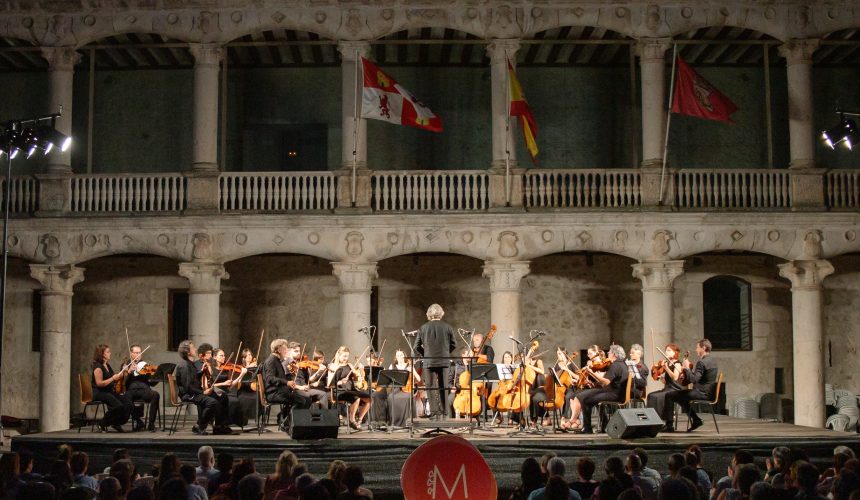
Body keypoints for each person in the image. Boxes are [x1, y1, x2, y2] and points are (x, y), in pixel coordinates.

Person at [567, 344, 629, 434]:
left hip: (614, 394)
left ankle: (587, 429)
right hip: (617, 393)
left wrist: (591, 372)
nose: (608, 353)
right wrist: (595, 383)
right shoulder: (623, 364)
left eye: (610, 352)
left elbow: (606, 382)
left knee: (586, 400)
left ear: (614, 354)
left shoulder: (615, 366)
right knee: (591, 397)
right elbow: (609, 382)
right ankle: (604, 425)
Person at [173, 340, 231, 435]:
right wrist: (203, 392)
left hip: (194, 392)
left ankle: (219, 426)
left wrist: (201, 372)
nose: (195, 349)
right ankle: (200, 427)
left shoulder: (189, 363)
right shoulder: (184, 365)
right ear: (188, 352)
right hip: (189, 394)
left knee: (222, 396)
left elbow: (194, 378)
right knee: (212, 402)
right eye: (193, 348)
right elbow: (188, 387)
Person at [666, 339, 719, 432]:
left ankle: (669, 425)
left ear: (704, 348)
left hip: (700, 393)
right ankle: (696, 420)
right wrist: (686, 374)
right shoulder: (713, 361)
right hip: (709, 393)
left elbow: (694, 380)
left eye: (698, 347)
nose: (696, 350)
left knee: (669, 395)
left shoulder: (701, 362)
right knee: (680, 397)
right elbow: (698, 377)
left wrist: (686, 368)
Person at [414, 303, 456, 421]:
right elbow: (454, 344)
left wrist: (425, 354)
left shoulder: (423, 328)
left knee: (430, 386)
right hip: (444, 361)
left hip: (429, 361)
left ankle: (433, 413)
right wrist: (446, 353)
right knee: (444, 386)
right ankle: (444, 412)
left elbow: (416, 347)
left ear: (429, 314)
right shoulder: (448, 327)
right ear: (441, 313)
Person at [263, 338, 312, 427]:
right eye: (285, 349)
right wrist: (286, 383)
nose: (287, 351)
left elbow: (282, 378)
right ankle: (286, 421)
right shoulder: (271, 361)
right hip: (274, 393)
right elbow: (270, 378)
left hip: (280, 391)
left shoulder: (277, 361)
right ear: (278, 350)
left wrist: (292, 379)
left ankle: (283, 416)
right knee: (301, 401)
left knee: (308, 400)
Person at [91, 344, 134, 432]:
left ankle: (116, 422)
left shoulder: (107, 365)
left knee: (128, 403)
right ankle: (102, 423)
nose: (110, 353)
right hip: (99, 392)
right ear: (102, 354)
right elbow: (99, 384)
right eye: (108, 352)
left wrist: (126, 371)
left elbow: (116, 378)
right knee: (118, 406)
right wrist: (112, 378)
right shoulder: (98, 367)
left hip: (109, 391)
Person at [329, 346, 371, 430]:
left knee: (369, 398)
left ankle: (359, 420)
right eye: (344, 356)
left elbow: (356, 379)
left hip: (351, 390)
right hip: (340, 391)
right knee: (356, 398)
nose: (346, 358)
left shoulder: (350, 365)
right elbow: (330, 383)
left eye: (347, 356)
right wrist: (340, 382)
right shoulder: (333, 366)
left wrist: (360, 370)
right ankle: (352, 420)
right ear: (338, 355)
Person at [646, 343, 685, 432]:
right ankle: (653, 422)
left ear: (675, 352)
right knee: (651, 395)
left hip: (675, 389)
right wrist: (661, 378)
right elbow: (666, 381)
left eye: (669, 350)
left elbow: (675, 377)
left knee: (657, 396)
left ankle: (666, 423)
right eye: (666, 350)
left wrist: (666, 367)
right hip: (668, 388)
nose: (666, 352)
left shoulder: (677, 363)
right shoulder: (667, 362)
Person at [124, 344, 160, 432]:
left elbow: (152, 384)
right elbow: (124, 383)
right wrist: (129, 372)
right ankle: (139, 421)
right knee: (126, 399)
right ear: (131, 353)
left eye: (140, 352)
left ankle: (151, 424)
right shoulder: (126, 365)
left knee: (155, 395)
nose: (138, 355)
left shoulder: (145, 365)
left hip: (144, 390)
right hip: (131, 390)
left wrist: (157, 376)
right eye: (136, 353)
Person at [388, 349, 420, 427]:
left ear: (404, 356)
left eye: (401, 355)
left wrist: (412, 370)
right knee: (390, 398)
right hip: (395, 389)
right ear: (395, 357)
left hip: (407, 389)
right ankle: (394, 422)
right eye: (398, 355)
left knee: (408, 398)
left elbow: (418, 379)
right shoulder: (392, 366)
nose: (399, 357)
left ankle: (407, 422)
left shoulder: (409, 366)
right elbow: (388, 379)